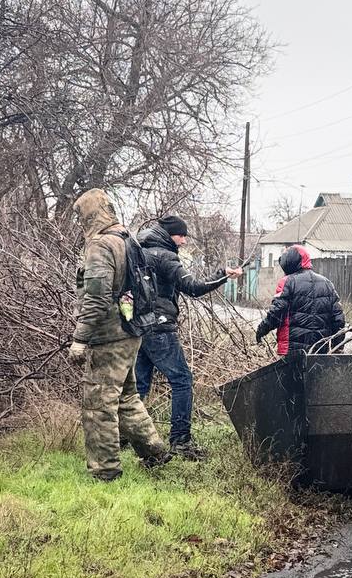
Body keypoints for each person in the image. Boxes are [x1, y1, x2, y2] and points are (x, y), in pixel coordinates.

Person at [69, 188, 171, 481]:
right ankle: (154, 451)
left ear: (90, 214)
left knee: (98, 404)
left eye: (80, 216)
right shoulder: (127, 238)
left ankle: (105, 471)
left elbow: (97, 298)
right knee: (126, 397)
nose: (80, 222)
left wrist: (80, 338)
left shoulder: (101, 245)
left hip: (109, 336)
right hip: (131, 330)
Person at [135, 216, 243, 460]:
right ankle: (180, 441)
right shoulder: (165, 256)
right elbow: (193, 287)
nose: (183, 241)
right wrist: (223, 275)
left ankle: (127, 436)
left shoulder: (138, 252)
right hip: (160, 327)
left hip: (138, 326)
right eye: (181, 235)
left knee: (139, 385)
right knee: (182, 380)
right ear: (170, 234)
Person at [255, 245, 346, 355]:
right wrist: (338, 347)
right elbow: (338, 319)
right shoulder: (327, 283)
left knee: (291, 372)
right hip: (320, 349)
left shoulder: (287, 282)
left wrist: (261, 330)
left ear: (289, 263)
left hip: (292, 348)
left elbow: (277, 312)